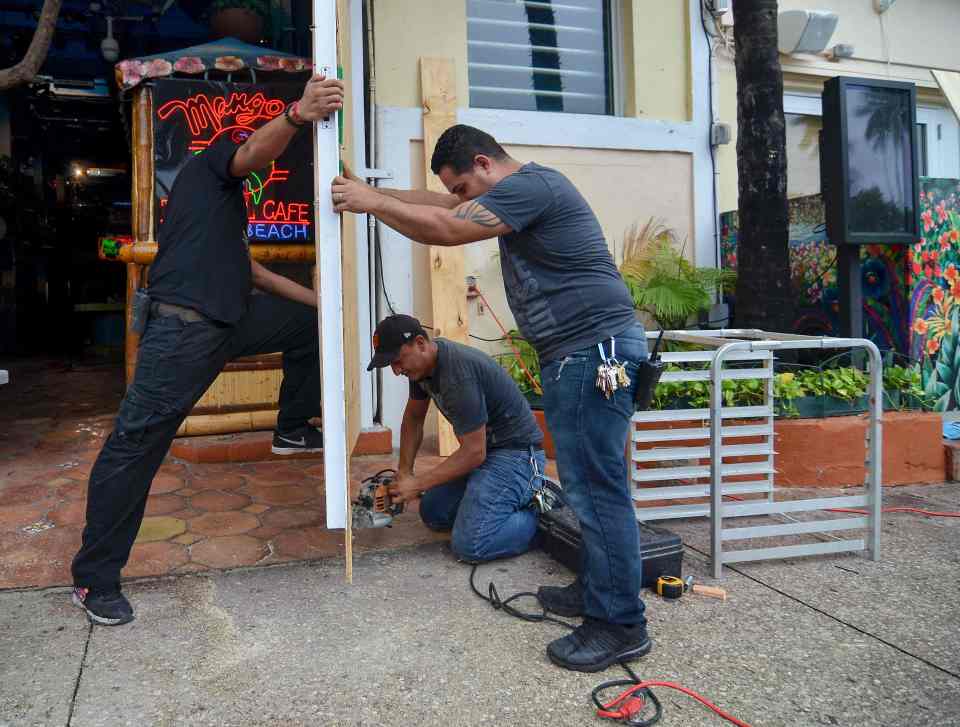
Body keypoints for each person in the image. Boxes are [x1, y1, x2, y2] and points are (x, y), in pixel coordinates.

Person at [332, 125, 650, 673]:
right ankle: (597, 590)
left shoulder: (534, 186)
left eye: (461, 188)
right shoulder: (511, 194)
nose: (457, 199)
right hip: (576, 355)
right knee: (585, 487)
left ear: (483, 164)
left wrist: (372, 203)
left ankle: (620, 624)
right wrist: (370, 194)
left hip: (594, 353)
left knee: (599, 493)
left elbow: (446, 226)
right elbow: (436, 204)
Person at [71, 74, 345, 626]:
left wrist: (324, 304)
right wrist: (297, 113)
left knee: (306, 329)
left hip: (227, 320)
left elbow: (252, 272)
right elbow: (247, 152)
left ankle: (292, 426)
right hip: (182, 332)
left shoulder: (211, 211)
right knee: (136, 445)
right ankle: (94, 578)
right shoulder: (207, 169)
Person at [366, 314, 547, 562]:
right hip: (487, 453)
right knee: (433, 512)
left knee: (472, 543)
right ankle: (495, 499)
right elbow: (414, 418)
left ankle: (539, 515)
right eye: (392, 366)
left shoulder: (457, 375)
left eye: (397, 361)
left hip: (517, 455)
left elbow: (474, 452)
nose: (397, 371)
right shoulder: (422, 369)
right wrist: (405, 472)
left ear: (420, 343)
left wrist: (417, 484)